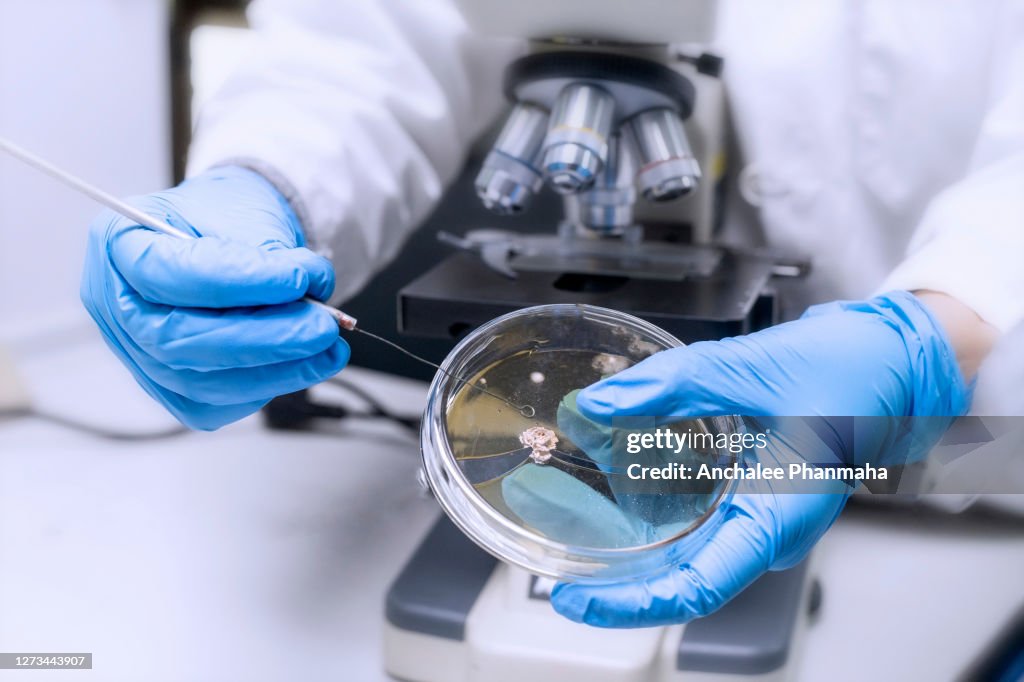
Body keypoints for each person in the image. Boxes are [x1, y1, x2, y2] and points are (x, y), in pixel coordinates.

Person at [80, 1, 1021, 627]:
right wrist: (264, 184)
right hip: (716, 440)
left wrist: (944, 326)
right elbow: (359, 48)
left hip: (986, 460)